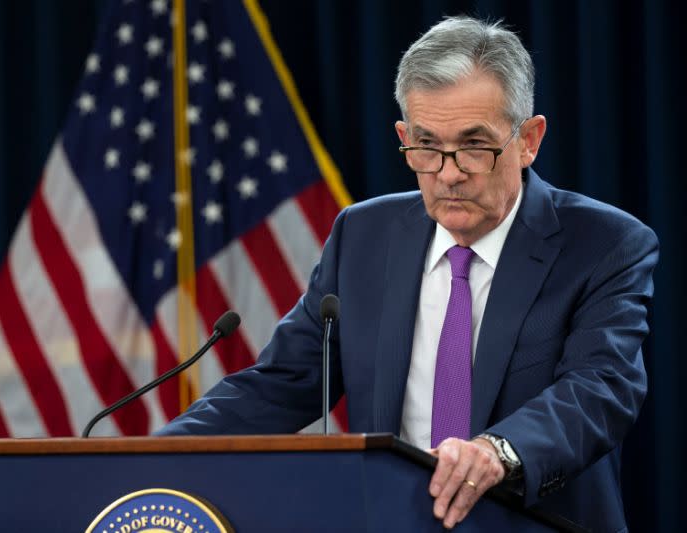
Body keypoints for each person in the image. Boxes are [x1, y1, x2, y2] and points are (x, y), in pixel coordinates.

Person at [157, 16, 658, 532]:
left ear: (528, 139)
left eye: (473, 146)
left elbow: (599, 388)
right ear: (403, 136)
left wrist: (498, 450)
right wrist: (146, 457)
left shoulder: (604, 245)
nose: (448, 172)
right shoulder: (364, 235)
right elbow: (281, 384)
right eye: (426, 147)